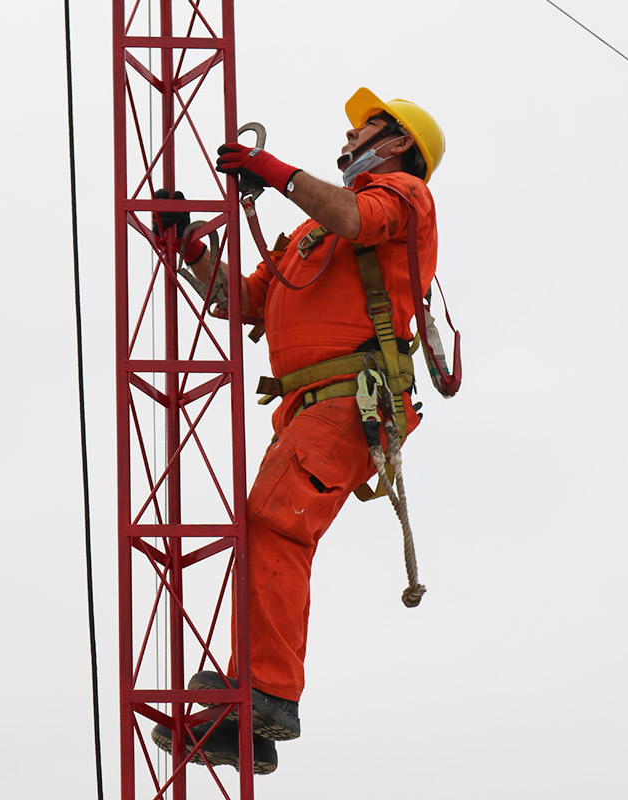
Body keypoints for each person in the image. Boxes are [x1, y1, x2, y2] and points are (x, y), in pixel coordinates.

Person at [150, 88, 446, 774]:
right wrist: (190, 248)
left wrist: (275, 170)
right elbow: (242, 299)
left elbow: (348, 211)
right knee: (264, 527)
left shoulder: (399, 196)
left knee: (274, 521)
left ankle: (267, 695)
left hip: (352, 399)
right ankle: (249, 720)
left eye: (363, 127)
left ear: (398, 142)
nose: (348, 137)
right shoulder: (311, 235)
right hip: (309, 406)